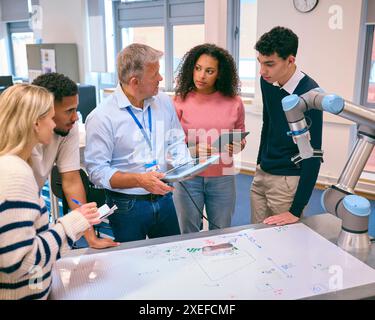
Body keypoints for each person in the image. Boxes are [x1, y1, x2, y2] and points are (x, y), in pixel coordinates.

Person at [0, 84, 100, 300]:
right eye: (50, 117)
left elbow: (27, 242)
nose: (54, 123)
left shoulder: (13, 166)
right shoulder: (14, 173)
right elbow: (20, 262)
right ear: (36, 122)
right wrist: (72, 224)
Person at [85, 43, 191, 243]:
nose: (161, 78)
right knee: (132, 267)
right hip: (127, 205)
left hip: (164, 197)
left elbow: (176, 139)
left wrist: (184, 165)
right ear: (135, 81)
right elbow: (97, 172)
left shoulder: (164, 101)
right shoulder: (101, 118)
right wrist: (139, 180)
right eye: (155, 75)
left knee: (173, 258)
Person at [31, 73, 119, 249]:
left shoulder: (67, 129)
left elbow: (71, 181)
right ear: (44, 111)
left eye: (75, 109)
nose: (75, 117)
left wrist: (91, 237)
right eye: (68, 111)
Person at [251, 26, 323, 226]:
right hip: (262, 173)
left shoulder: (310, 95)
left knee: (285, 247)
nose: (262, 70)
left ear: (290, 60)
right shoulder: (267, 81)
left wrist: (296, 209)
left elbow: (313, 153)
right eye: (260, 62)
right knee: (256, 237)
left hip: (287, 181)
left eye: (269, 64)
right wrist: (260, 162)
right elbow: (269, 122)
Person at [173, 43, 246, 233]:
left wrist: (237, 146)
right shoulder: (179, 100)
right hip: (188, 176)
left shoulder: (234, 102)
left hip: (223, 178)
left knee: (221, 232)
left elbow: (240, 135)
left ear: (220, 74)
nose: (201, 76)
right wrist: (193, 149)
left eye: (209, 71)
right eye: (197, 68)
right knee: (188, 232)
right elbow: (169, 143)